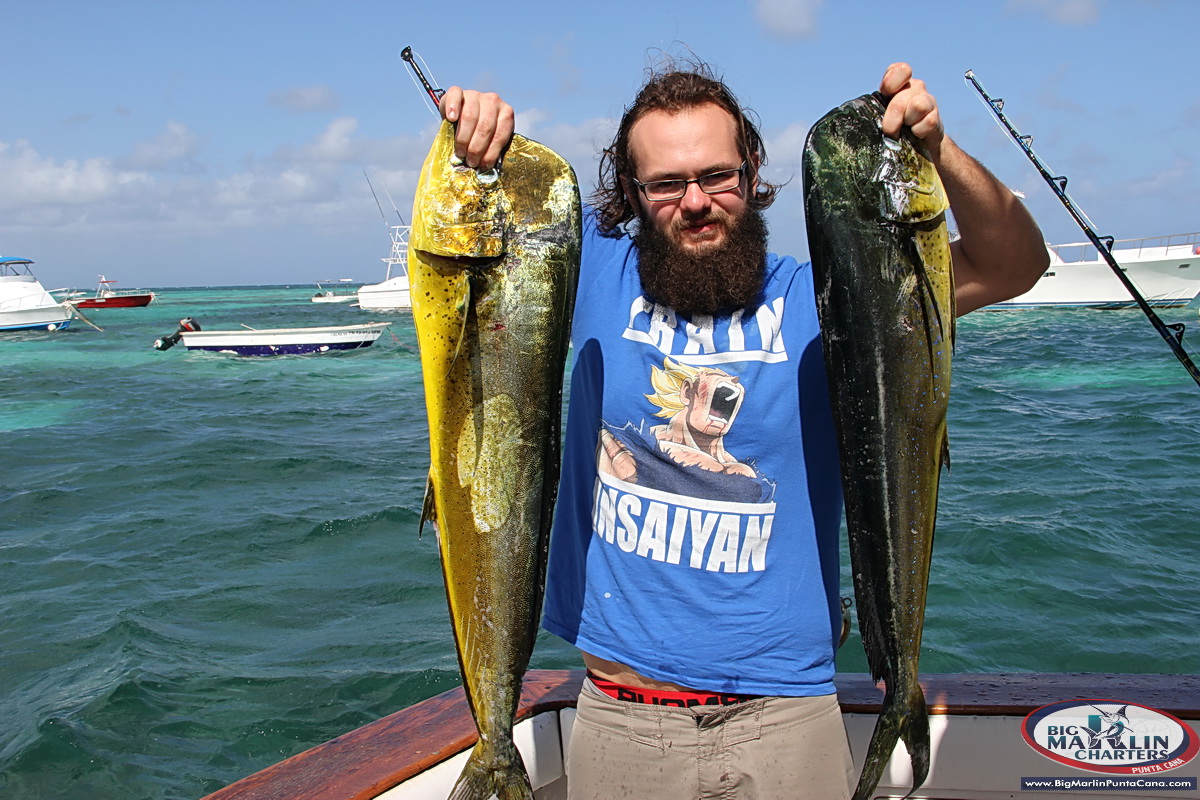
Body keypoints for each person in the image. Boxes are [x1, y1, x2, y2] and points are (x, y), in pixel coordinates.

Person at [437, 59, 1048, 800]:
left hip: (788, 714)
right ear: (632, 193)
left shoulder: (825, 301)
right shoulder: (593, 271)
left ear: (753, 172)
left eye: (717, 176)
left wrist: (937, 150)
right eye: (665, 184)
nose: (695, 202)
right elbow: (484, 244)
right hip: (624, 721)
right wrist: (480, 139)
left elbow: (1014, 264)